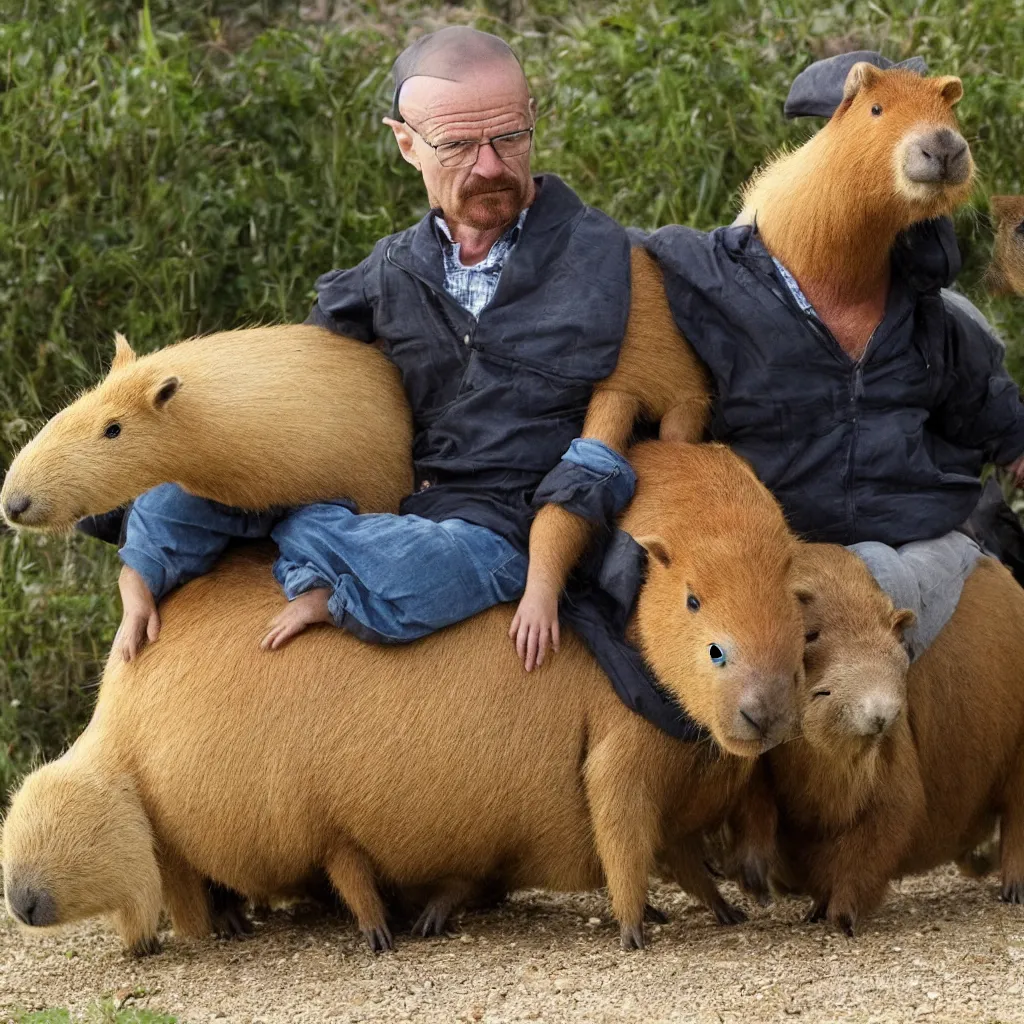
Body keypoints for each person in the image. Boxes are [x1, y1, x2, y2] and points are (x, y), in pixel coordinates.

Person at [112, 26, 636, 664]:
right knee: (187, 492)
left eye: (508, 137)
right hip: (389, 489)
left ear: (532, 119)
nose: (491, 165)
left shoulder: (601, 255)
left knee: (425, 565)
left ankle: (336, 583)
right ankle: (140, 581)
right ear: (406, 143)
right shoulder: (387, 271)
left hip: (503, 517)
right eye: (459, 145)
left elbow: (637, 404)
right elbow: (301, 390)